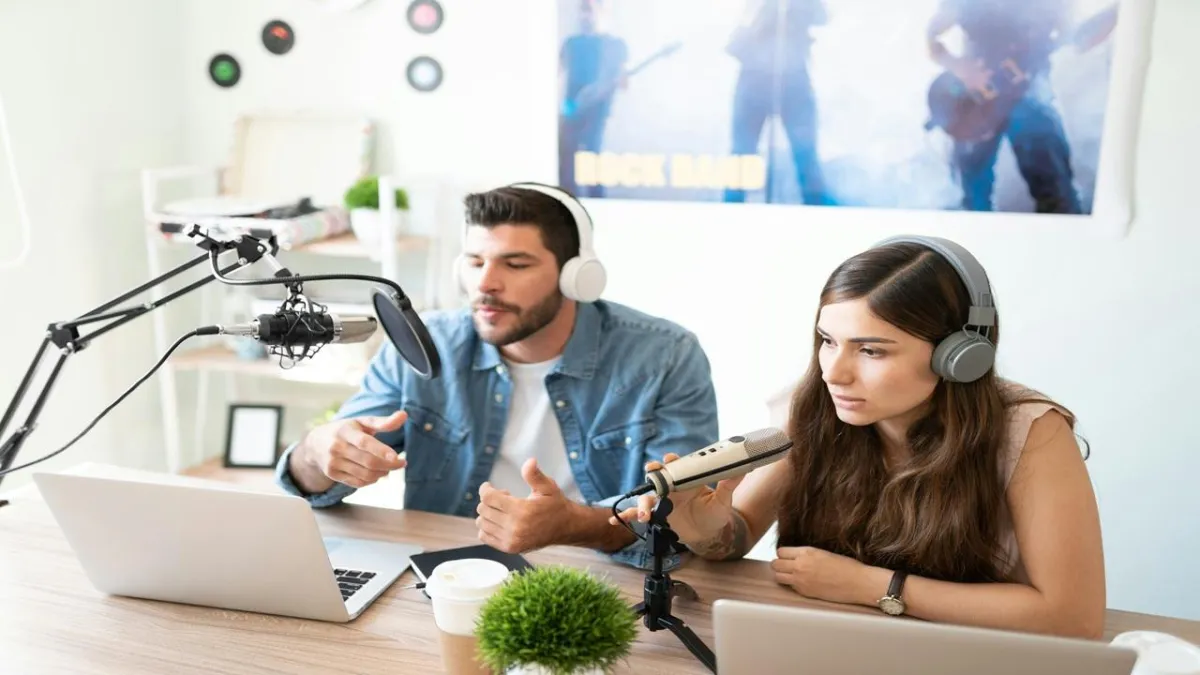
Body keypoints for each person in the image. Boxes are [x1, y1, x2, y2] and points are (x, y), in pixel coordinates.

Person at [614, 235, 1106, 639]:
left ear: (959, 356)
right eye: (828, 341)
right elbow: (734, 540)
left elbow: (1072, 617)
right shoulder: (811, 405)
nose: (835, 373)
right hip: (831, 643)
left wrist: (871, 586)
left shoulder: (1031, 432)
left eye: (871, 351)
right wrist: (703, 524)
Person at [276, 182, 718, 571]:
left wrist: (571, 524)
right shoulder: (426, 344)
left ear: (575, 278)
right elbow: (319, 482)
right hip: (450, 574)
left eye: (515, 264)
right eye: (474, 261)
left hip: (602, 575)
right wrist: (319, 451)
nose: (486, 283)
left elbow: (678, 513)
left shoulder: (665, 356)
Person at [926, 0, 1114, 213]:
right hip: (973, 103)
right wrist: (959, 67)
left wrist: (1123, 13)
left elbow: (1077, 39)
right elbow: (932, 35)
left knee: (1058, 196)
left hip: (1029, 96)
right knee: (970, 197)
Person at [723, 0, 831, 205]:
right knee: (741, 156)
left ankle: (820, 216)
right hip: (753, 76)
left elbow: (822, 16)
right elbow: (739, 19)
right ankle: (730, 214)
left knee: (805, 154)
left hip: (793, 78)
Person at [558, 0, 629, 198]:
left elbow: (623, 83)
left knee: (594, 165)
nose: (584, 16)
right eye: (582, 11)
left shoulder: (615, 45)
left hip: (598, 116)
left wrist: (617, 80)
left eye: (589, 10)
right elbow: (556, 73)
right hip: (571, 113)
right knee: (566, 166)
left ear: (602, 11)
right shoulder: (571, 43)